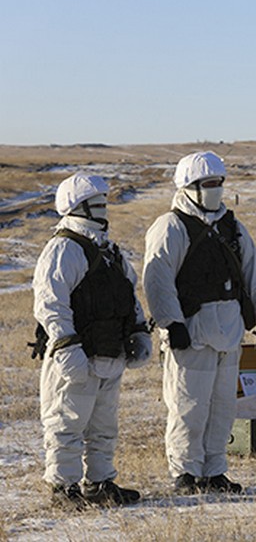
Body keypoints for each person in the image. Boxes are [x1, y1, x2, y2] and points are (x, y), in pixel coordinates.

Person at [142, 151, 256, 495]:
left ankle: (215, 470)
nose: (215, 190)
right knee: (189, 406)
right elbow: (157, 280)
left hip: (230, 333)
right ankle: (185, 473)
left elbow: (254, 275)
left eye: (219, 183)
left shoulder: (233, 227)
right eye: (207, 184)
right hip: (192, 334)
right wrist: (171, 323)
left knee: (222, 408)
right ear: (188, 187)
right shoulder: (170, 227)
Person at [33, 173, 151, 509]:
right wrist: (66, 346)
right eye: (96, 203)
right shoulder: (63, 249)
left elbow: (129, 293)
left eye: (104, 201)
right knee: (66, 424)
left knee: (103, 426)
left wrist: (140, 331)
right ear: (77, 206)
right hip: (77, 356)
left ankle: (99, 483)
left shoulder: (109, 250)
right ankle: (63, 489)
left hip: (110, 353)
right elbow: (49, 304)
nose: (103, 208)